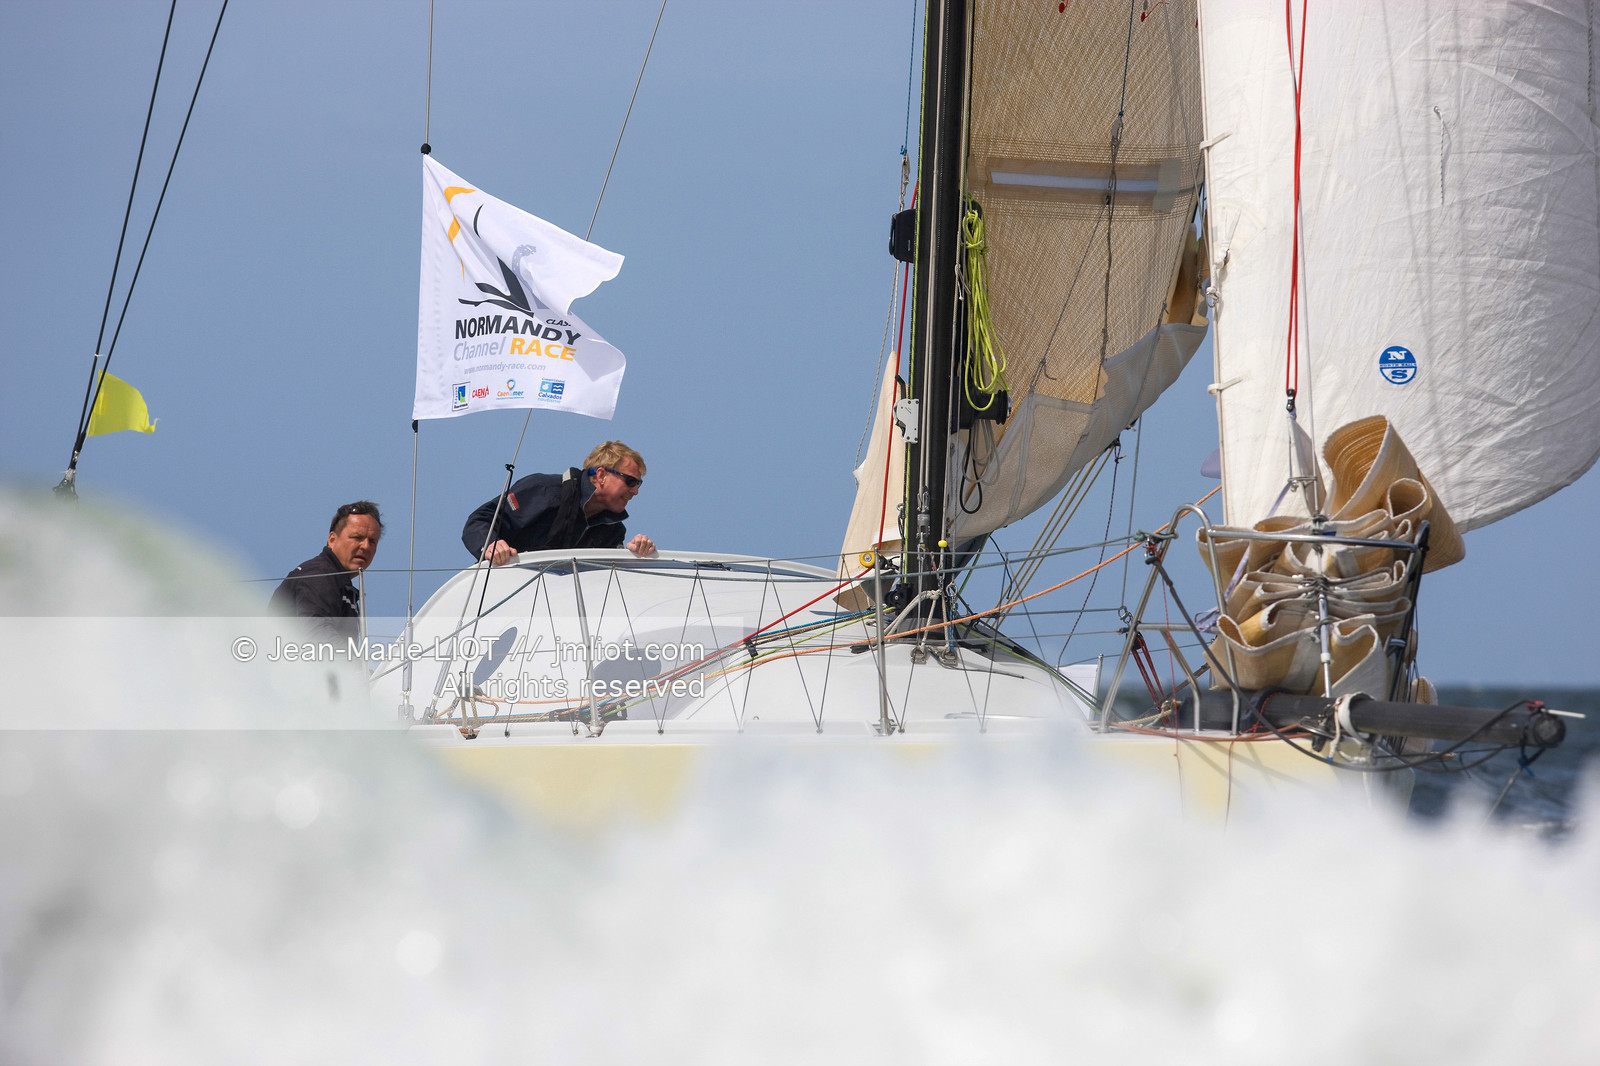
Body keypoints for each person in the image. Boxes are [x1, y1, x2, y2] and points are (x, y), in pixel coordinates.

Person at [462, 441, 656, 566]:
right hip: (507, 593)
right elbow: (480, 520)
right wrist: (490, 545)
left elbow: (605, 578)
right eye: (631, 481)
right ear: (601, 475)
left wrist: (637, 554)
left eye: (639, 484)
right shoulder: (544, 490)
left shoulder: (613, 532)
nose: (636, 491)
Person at [269, 501, 383, 642]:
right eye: (357, 538)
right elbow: (317, 634)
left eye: (372, 541)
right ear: (332, 540)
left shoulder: (339, 584)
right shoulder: (319, 575)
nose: (365, 546)